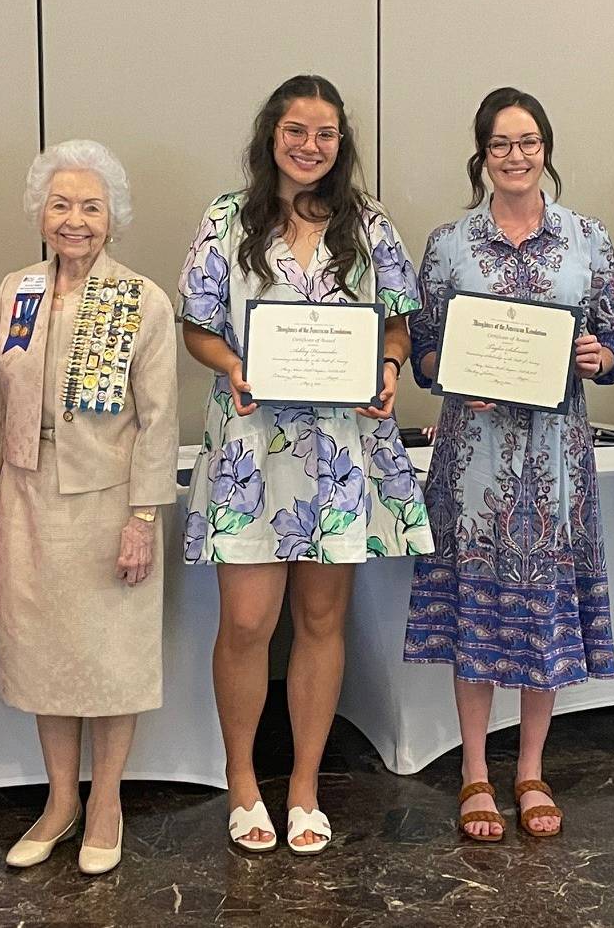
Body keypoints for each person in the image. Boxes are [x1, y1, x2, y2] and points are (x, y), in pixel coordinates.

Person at [179, 74, 434, 854]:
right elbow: (197, 325)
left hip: (339, 452)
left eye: (324, 134)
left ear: (340, 142)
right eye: (296, 131)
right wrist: (231, 365)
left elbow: (398, 325)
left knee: (322, 620)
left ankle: (303, 788)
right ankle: (244, 782)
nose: (310, 146)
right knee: (248, 623)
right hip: (253, 449)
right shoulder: (227, 217)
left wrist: (388, 369)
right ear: (271, 136)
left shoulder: (369, 223)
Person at [403, 88, 614, 841]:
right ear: (481, 155)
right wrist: (450, 370)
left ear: (546, 149)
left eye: (528, 142)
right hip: (473, 462)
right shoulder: (448, 244)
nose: (515, 156)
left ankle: (530, 769)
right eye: (500, 144)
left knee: (542, 616)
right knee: (477, 614)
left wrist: (603, 357)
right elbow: (424, 353)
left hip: (558, 462)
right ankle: (475, 771)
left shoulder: (588, 239)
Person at [0, 140, 177, 876]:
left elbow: (160, 420)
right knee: (43, 654)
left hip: (107, 500)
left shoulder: (141, 300)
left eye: (90, 207)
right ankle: (61, 800)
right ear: (41, 212)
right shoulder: (17, 290)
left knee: (108, 655)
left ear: (113, 218)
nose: (74, 220)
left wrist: (143, 517)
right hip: (26, 495)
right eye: (60, 205)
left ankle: (106, 803)